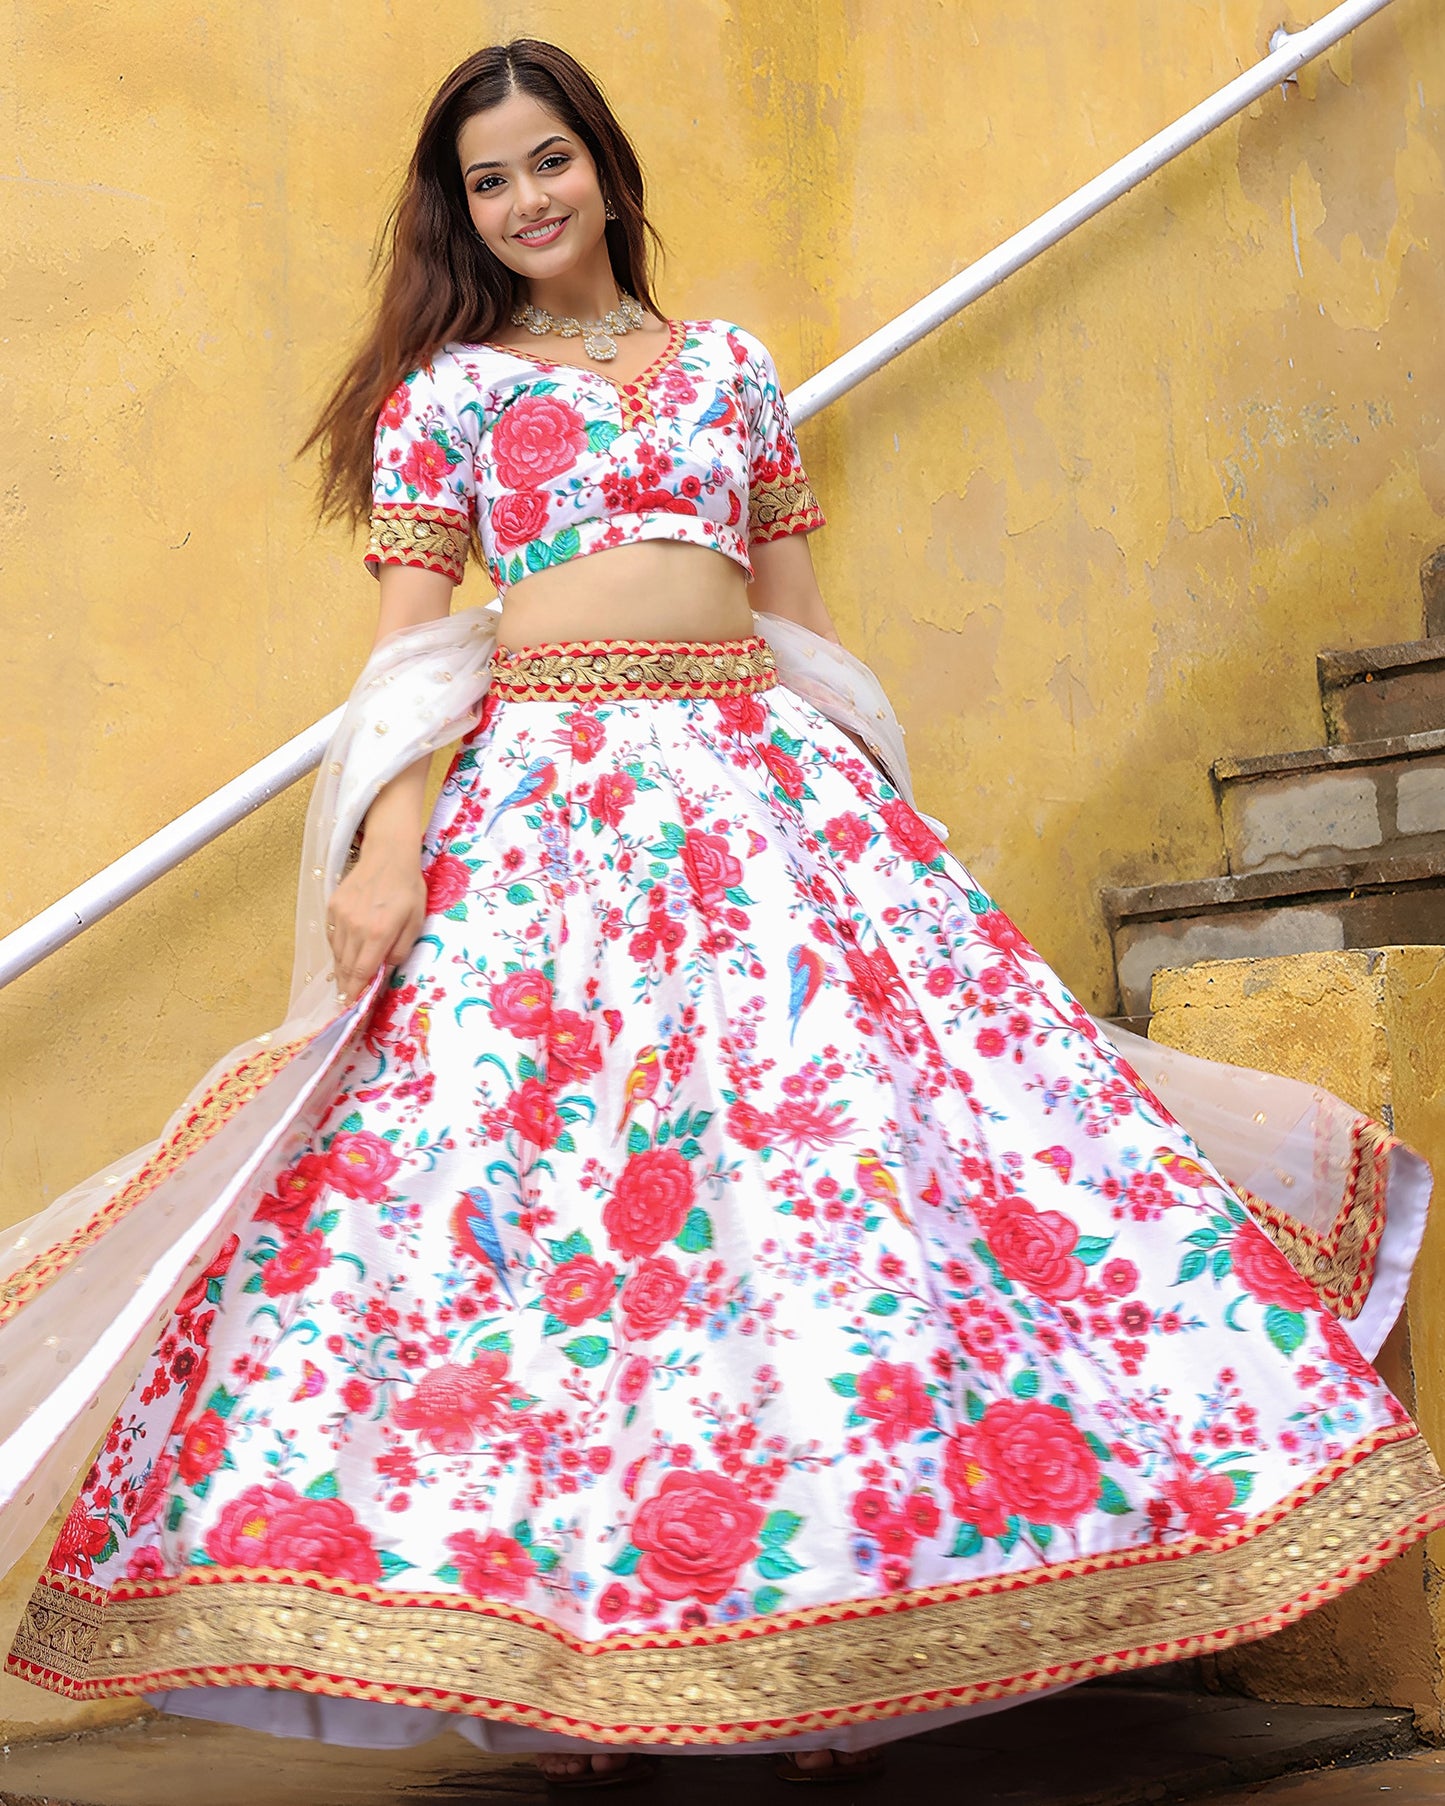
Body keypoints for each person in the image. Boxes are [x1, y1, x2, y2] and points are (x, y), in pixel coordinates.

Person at [3, 37, 1443, 1793]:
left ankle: (823, 1649)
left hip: (762, 795)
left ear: (604, 168)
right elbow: (403, 664)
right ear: (461, 209)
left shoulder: (733, 371)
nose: (527, 199)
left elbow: (800, 618)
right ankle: (580, 1682)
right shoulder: (446, 394)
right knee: (566, 1242)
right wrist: (388, 846)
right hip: (546, 821)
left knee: (817, 1211)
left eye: (551, 161)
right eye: (489, 179)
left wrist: (887, 835)